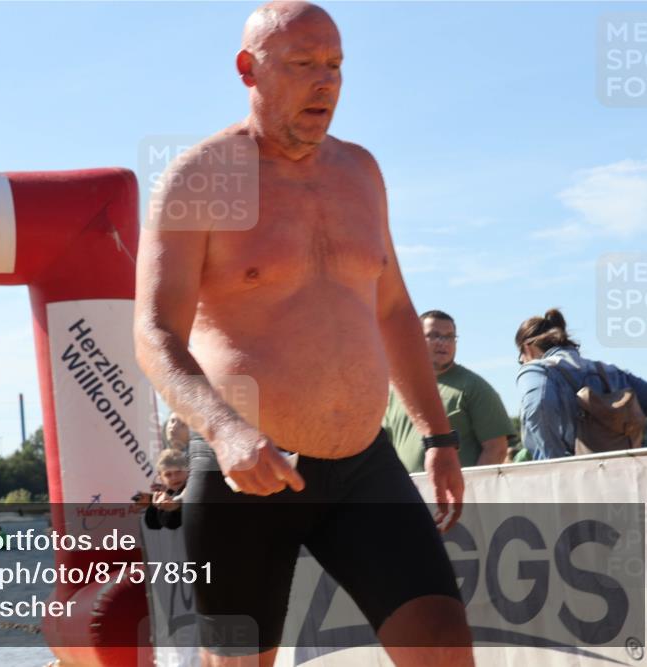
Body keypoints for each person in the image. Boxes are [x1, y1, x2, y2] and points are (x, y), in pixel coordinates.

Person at [133, 3, 472, 665]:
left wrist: (437, 436)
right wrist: (225, 430)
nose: (325, 82)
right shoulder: (200, 178)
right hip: (245, 477)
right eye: (303, 64)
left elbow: (394, 309)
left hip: (363, 467)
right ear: (248, 70)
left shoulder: (362, 172)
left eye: (336, 65)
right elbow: (153, 331)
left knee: (443, 644)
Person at [515, 308, 647, 459]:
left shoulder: (537, 370)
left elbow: (539, 407)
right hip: (623, 469)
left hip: (573, 471)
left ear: (528, 348)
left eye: (520, 358)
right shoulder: (611, 372)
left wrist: (554, 463)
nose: (522, 361)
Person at [383, 310, 515, 472]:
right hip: (404, 487)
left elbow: (496, 449)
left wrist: (471, 486)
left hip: (456, 488)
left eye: (449, 337)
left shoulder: (474, 388)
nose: (443, 342)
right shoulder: (397, 389)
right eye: (434, 335)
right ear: (415, 338)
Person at [144, 448, 189, 530]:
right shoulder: (167, 493)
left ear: (187, 470)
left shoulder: (193, 486)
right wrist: (156, 505)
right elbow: (152, 523)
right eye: (168, 474)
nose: (174, 477)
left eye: (178, 472)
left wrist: (175, 506)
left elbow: (172, 522)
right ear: (161, 478)